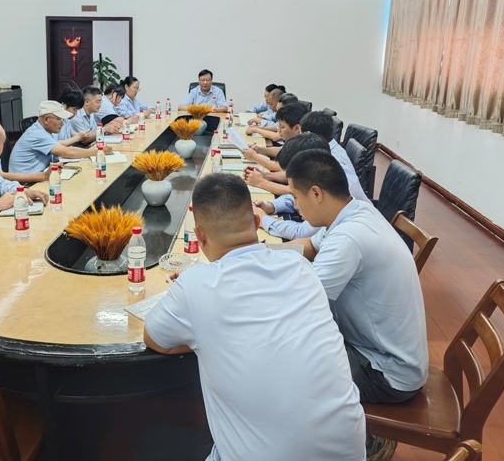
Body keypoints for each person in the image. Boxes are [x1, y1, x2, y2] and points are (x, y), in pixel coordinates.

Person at [141, 173, 365, 461]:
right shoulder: (299, 266)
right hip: (350, 451)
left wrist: (206, 335)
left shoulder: (194, 285)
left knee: (153, 443)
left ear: (199, 236)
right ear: (257, 222)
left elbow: (154, 339)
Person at [286, 149, 429, 460]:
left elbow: (299, 305)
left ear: (316, 193)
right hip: (386, 352)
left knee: (285, 366)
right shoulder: (356, 212)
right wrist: (259, 255)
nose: (295, 206)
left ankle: (353, 445)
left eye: (295, 197)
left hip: (387, 371)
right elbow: (309, 246)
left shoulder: (348, 238)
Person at [252, 133, 370, 240]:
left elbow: (302, 233)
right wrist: (270, 206)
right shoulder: (325, 171)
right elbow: (299, 194)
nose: (296, 204)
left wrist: (263, 219)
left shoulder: (332, 190)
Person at [8, 100, 113, 173]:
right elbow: (65, 152)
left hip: (39, 175)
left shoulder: (44, 131)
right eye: (59, 119)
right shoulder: (37, 133)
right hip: (26, 184)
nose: (62, 123)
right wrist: (96, 151)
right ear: (46, 119)